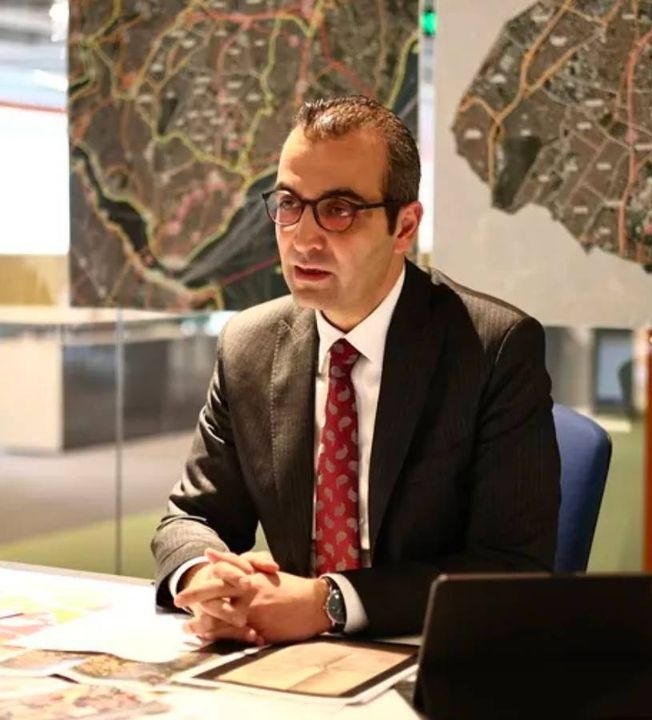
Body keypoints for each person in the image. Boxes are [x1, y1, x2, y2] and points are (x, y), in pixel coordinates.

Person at [151, 95, 560, 643]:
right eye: (289, 204)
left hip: (426, 652)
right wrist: (206, 579)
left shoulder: (492, 348)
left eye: (339, 209)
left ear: (404, 227)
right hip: (282, 654)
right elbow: (191, 518)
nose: (303, 238)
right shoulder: (249, 345)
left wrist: (330, 602)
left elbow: (513, 566)